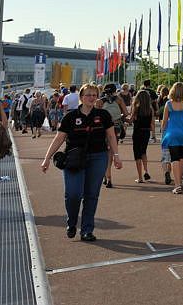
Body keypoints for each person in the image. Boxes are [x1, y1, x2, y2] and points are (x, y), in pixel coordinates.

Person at [40, 83, 123, 241]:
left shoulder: (103, 115)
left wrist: (117, 155)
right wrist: (46, 159)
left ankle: (87, 230)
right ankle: (72, 222)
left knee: (91, 195)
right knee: (73, 194)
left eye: (94, 95)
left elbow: (111, 136)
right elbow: (59, 138)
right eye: (88, 95)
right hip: (74, 159)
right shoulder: (70, 117)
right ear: (81, 97)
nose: (91, 98)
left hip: (98, 157)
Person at [162, 82, 183, 194]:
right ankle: (180, 181)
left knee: (174, 158)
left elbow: (164, 122)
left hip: (172, 133)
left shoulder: (168, 104)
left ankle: (177, 185)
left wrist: (163, 134)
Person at [98, 84, 127, 186]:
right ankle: (109, 176)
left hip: (103, 128)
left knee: (104, 151)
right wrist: (119, 117)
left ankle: (106, 175)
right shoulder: (119, 100)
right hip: (116, 126)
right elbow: (126, 113)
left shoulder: (100, 101)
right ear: (115, 91)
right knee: (112, 150)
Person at [128, 90, 155, 183]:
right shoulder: (150, 109)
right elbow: (152, 124)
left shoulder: (136, 108)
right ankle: (146, 171)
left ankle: (140, 177)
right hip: (146, 132)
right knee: (143, 152)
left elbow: (131, 120)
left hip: (137, 132)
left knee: (137, 154)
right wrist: (154, 135)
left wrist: (124, 118)